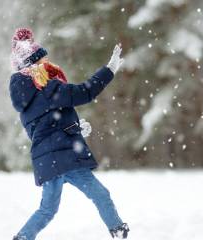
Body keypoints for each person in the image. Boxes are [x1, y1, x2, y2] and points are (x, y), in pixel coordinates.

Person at [9, 28, 129, 240]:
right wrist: (109, 69)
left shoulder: (25, 99)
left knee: (47, 211)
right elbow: (85, 91)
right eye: (42, 60)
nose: (46, 63)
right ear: (33, 65)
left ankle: (22, 238)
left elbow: (44, 128)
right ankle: (118, 231)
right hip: (65, 158)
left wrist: (75, 127)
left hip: (49, 160)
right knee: (101, 195)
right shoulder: (45, 87)